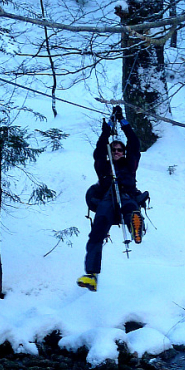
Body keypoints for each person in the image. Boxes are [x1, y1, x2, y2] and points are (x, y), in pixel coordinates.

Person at [77, 106, 145, 291]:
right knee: (96, 234)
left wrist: (123, 122)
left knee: (130, 206)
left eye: (119, 150)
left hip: (126, 196)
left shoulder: (130, 164)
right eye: (113, 150)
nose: (116, 152)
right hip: (107, 201)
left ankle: (136, 227)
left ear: (123, 153)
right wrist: (107, 127)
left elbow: (134, 143)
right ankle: (91, 274)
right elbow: (100, 148)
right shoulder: (103, 166)